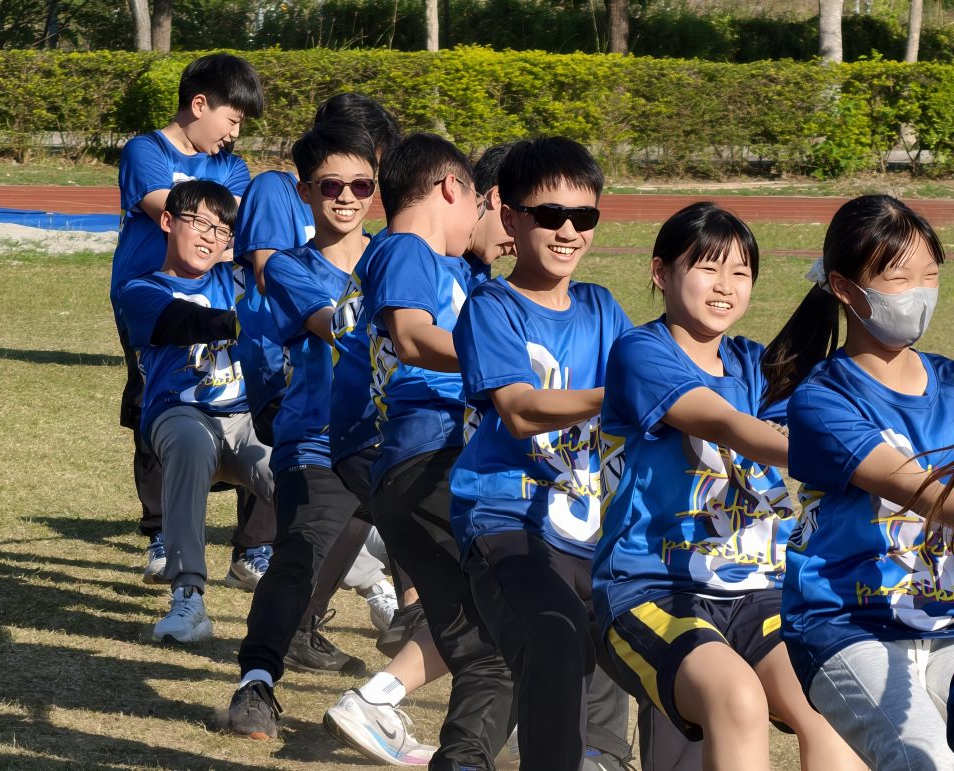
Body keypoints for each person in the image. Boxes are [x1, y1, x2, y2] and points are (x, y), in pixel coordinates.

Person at [592, 202, 862, 771]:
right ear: (661, 272)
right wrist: (846, 459)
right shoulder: (640, 352)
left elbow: (830, 408)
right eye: (708, 268)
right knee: (737, 697)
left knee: (834, 696)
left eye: (740, 272)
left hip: (761, 590)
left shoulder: (753, 365)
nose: (725, 286)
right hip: (652, 588)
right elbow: (723, 423)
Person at [322, 142, 516, 768]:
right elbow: (409, 337)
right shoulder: (407, 248)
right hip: (428, 457)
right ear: (454, 189)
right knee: (507, 616)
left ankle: (385, 704)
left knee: (486, 631)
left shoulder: (444, 265)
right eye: (484, 205)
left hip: (421, 459)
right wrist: (517, 367)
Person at [449, 136, 634, 771]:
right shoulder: (490, 307)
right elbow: (521, 410)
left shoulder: (603, 307)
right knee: (555, 639)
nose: (568, 231)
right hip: (507, 520)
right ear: (510, 216)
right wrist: (620, 395)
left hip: (592, 528)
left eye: (583, 216)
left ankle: (603, 759)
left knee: (635, 639)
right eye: (550, 214)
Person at [766, 194, 954, 769]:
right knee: (924, 759)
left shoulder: (950, 381)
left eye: (930, 275)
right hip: (847, 625)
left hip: (944, 621)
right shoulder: (822, 400)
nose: (919, 292)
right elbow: (926, 494)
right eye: (899, 278)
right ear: (844, 288)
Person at [233, 93, 403, 668]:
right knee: (301, 552)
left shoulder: (392, 255)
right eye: (331, 186)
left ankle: (328, 631)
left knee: (413, 524)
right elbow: (331, 324)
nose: (347, 197)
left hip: (382, 435)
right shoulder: (288, 265)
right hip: (316, 436)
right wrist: (404, 322)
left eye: (361, 186)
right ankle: (257, 676)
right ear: (305, 192)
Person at [109, 53, 272, 588]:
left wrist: (220, 238)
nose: (234, 133)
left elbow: (238, 228)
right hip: (153, 299)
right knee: (155, 402)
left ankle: (254, 547)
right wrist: (215, 231)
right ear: (199, 104)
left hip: (221, 296)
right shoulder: (146, 150)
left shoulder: (232, 166)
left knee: (251, 400)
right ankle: (161, 534)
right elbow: (173, 209)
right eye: (232, 119)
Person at [119, 179, 275, 644]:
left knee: (295, 471)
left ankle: (370, 578)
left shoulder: (237, 277)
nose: (210, 236)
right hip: (179, 413)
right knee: (189, 443)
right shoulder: (141, 288)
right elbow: (183, 321)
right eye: (199, 223)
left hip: (242, 418)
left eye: (222, 230)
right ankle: (188, 595)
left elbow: (277, 252)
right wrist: (243, 323)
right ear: (168, 221)